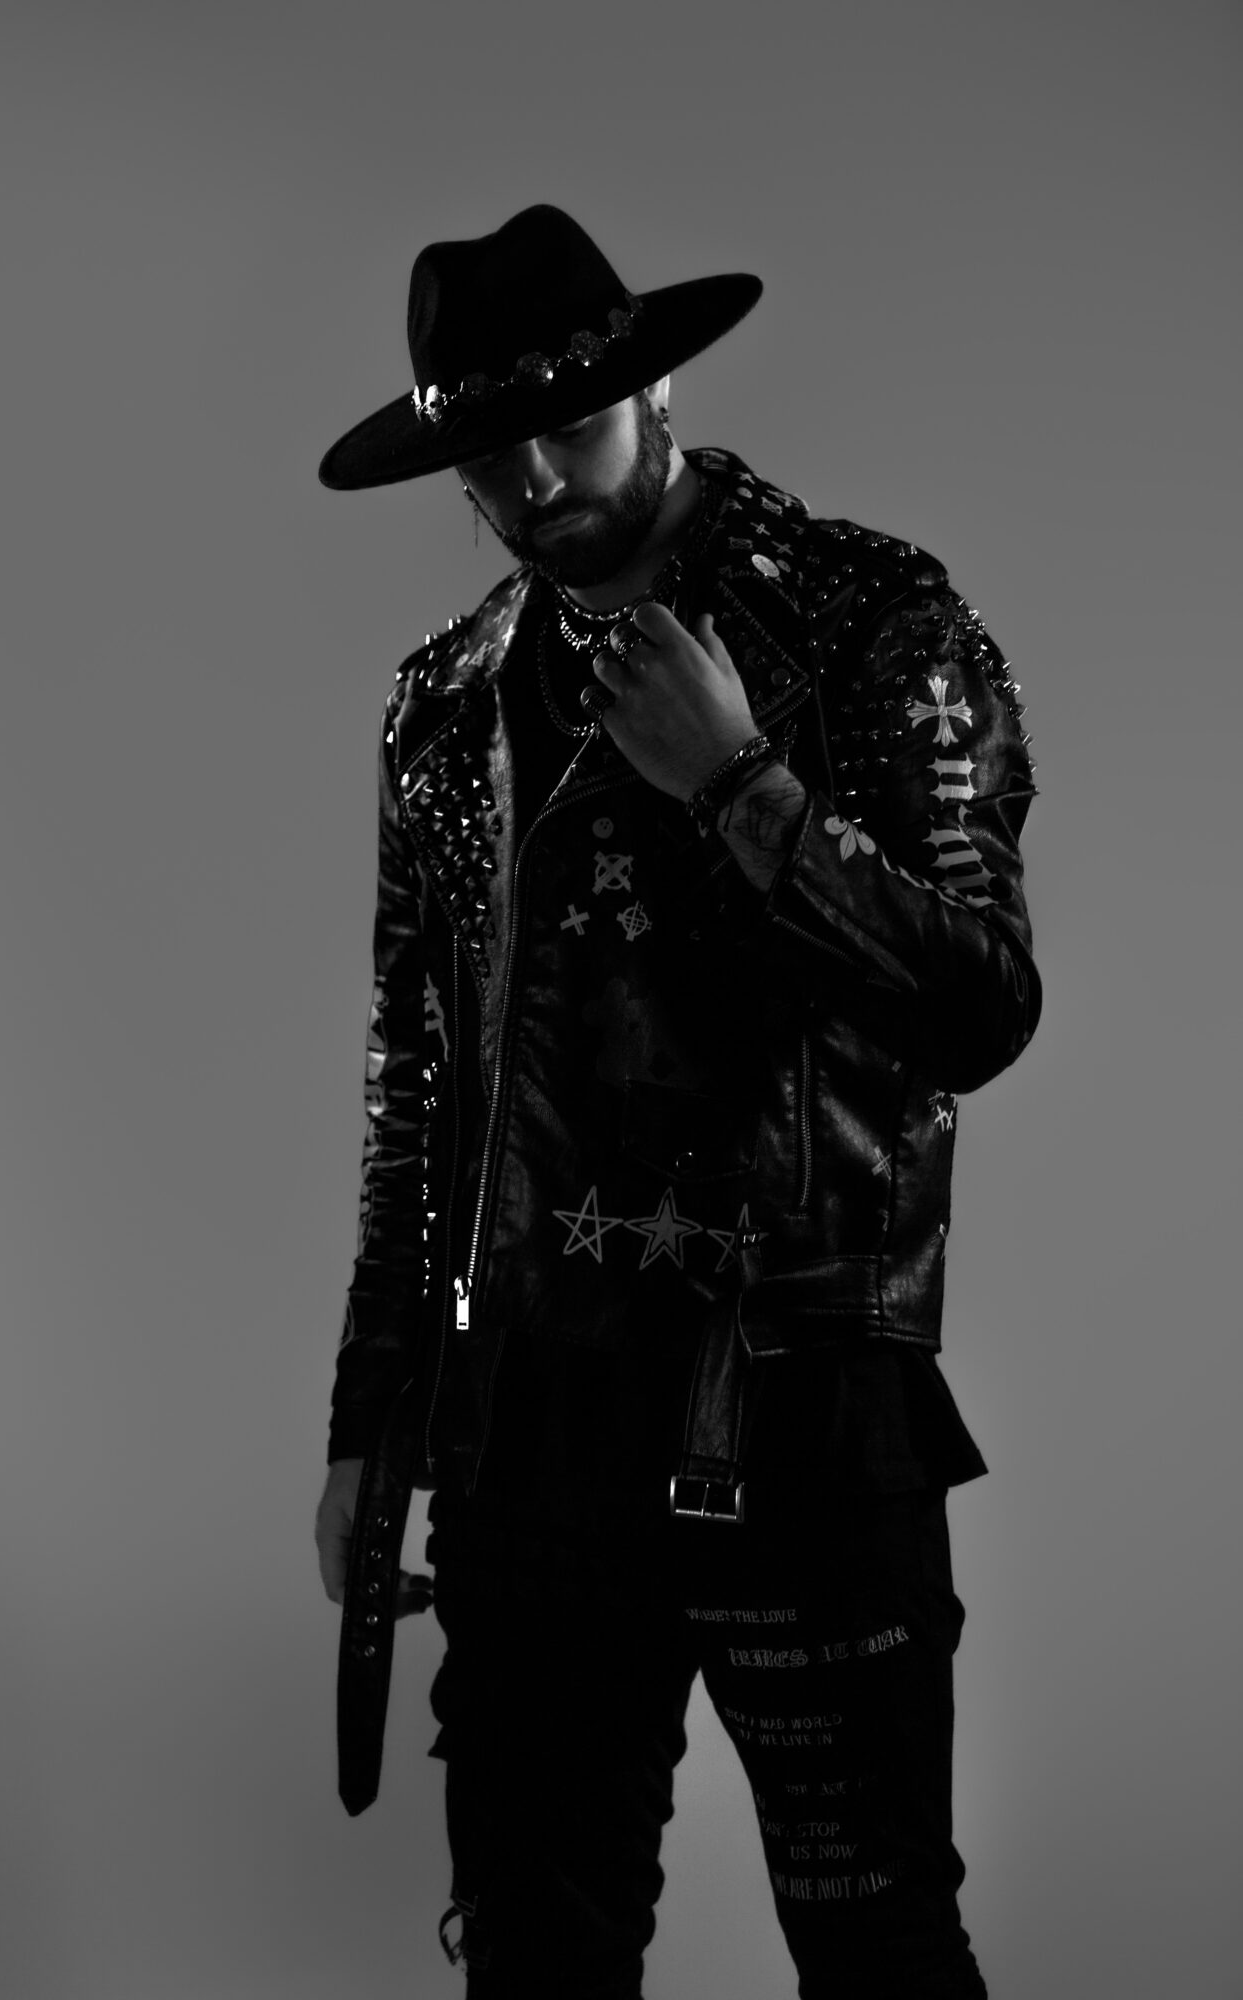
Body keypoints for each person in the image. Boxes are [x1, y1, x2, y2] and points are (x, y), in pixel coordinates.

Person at [312, 204, 1040, 1998]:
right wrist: (372, 1419)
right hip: (527, 1440)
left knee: (876, 1946)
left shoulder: (867, 616)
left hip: (800, 1402)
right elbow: (422, 1081)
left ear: (655, 392)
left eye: (567, 428)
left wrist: (738, 786)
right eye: (489, 453)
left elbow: (980, 1001)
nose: (532, 482)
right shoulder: (445, 705)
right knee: (535, 1963)